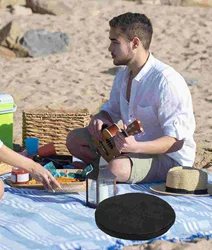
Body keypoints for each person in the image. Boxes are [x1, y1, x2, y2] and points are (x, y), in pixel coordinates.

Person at [66, 12, 196, 183]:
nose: (109, 49)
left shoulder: (166, 82)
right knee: (74, 140)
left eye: (115, 42)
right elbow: (110, 112)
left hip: (169, 160)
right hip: (129, 149)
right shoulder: (123, 76)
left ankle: (100, 172)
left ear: (135, 43)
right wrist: (99, 118)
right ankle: (103, 171)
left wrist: (137, 147)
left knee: (116, 169)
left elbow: (176, 142)